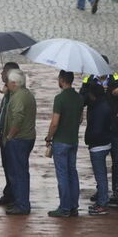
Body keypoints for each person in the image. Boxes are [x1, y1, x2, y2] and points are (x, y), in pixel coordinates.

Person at [44, 71, 83, 218]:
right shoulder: (79, 98)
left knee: (62, 175)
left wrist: (49, 137)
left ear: (61, 80)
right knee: (72, 172)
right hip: (73, 140)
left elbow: (54, 123)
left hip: (61, 141)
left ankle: (64, 207)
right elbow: (80, 119)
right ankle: (74, 206)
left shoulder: (59, 99)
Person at [3, 69, 37, 215]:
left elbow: (18, 118)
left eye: (8, 82)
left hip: (19, 139)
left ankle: (22, 204)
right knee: (21, 171)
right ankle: (20, 202)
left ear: (14, 83)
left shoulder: (18, 98)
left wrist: (10, 136)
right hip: (27, 137)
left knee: (18, 172)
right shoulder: (26, 94)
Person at [83, 81, 114, 215]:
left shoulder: (97, 109)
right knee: (102, 176)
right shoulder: (106, 105)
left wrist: (89, 141)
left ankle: (102, 203)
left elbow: (95, 129)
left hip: (97, 145)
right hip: (106, 142)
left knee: (100, 176)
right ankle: (102, 200)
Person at [0, 62, 20, 208]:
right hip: (3, 133)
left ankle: (15, 195)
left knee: (12, 166)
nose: (1, 74)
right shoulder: (8, 92)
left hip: (10, 135)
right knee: (6, 165)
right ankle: (9, 192)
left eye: (4, 72)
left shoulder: (15, 93)